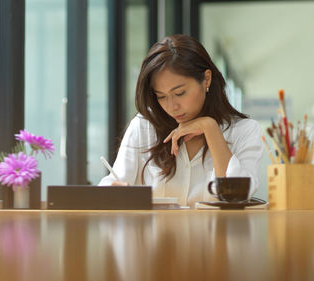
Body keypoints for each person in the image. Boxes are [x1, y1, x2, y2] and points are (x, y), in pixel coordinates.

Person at [98, 34, 263, 207]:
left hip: (214, 234)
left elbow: (235, 198)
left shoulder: (244, 131)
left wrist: (210, 128)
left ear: (206, 79)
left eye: (179, 93)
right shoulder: (144, 127)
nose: (171, 107)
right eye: (161, 97)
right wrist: (112, 191)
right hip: (155, 234)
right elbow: (111, 186)